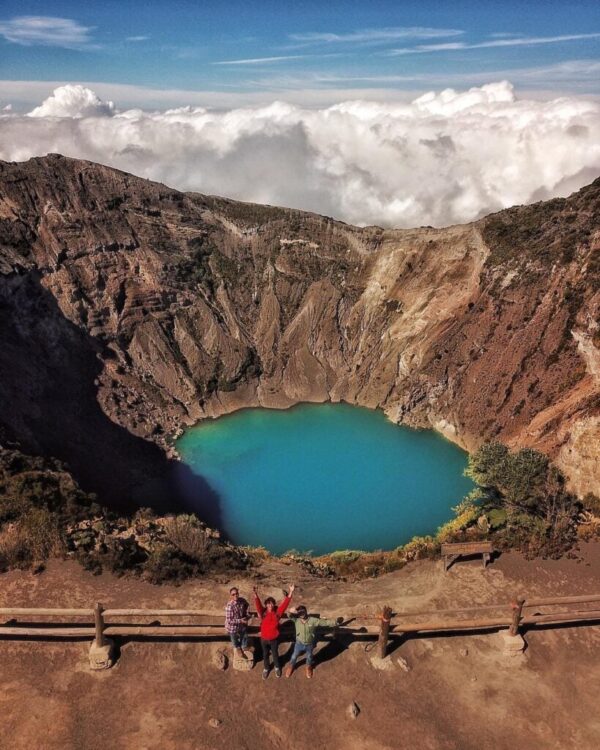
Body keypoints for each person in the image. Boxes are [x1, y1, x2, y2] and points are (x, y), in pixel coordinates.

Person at [284, 604, 343, 679]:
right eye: (299, 612)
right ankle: (291, 666)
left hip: (309, 644)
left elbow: (324, 622)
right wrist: (290, 610)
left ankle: (308, 667)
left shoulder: (313, 620)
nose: (301, 614)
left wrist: (336, 622)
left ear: (306, 612)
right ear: (297, 613)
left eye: (303, 612)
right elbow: (289, 615)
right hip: (299, 643)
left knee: (309, 656)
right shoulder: (296, 620)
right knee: (294, 656)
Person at [253, 583, 295, 679]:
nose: (270, 605)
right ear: (266, 605)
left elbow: (285, 604)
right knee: (265, 654)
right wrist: (255, 594)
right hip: (263, 639)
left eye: (271, 603)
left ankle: (277, 667)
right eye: (268, 603)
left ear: (274, 604)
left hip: (274, 639)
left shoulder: (277, 613)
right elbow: (258, 605)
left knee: (275, 654)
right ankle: (266, 668)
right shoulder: (263, 613)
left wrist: (291, 592)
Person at [224, 586, 250, 660]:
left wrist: (247, 612)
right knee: (234, 638)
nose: (235, 595)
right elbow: (229, 621)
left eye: (236, 593)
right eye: (233, 594)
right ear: (230, 596)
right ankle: (237, 647)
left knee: (244, 633)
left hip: (240, 624)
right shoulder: (230, 606)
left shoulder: (241, 600)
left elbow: (247, 604)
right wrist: (241, 620)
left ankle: (243, 646)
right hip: (232, 626)